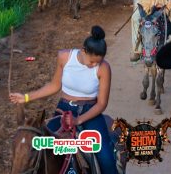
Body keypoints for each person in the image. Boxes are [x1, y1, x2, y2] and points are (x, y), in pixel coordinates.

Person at [10, 26, 117, 174]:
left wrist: (78, 120)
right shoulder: (64, 57)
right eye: (92, 61)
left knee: (106, 158)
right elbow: (54, 85)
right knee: (43, 151)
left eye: (98, 62)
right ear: (83, 50)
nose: (94, 65)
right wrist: (27, 97)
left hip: (89, 112)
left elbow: (102, 104)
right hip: (64, 109)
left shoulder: (104, 68)